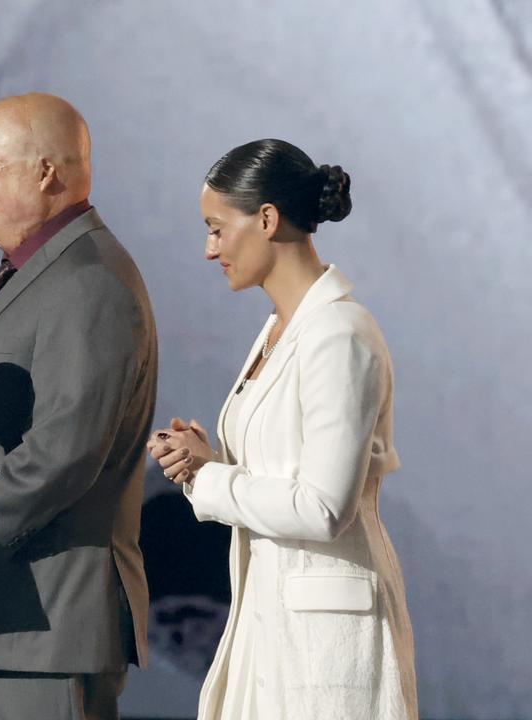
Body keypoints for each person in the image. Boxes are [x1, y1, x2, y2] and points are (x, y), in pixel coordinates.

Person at [0, 93, 156, 720]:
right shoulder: (36, 268)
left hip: (42, 628)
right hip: (0, 625)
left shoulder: (89, 280)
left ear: (46, 172)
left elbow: (66, 450)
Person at [148, 139, 417, 718]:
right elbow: (281, 471)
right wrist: (202, 460)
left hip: (326, 642)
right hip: (266, 622)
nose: (208, 248)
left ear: (267, 219)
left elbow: (323, 506)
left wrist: (210, 476)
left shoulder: (338, 333)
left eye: (217, 228)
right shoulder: (280, 328)